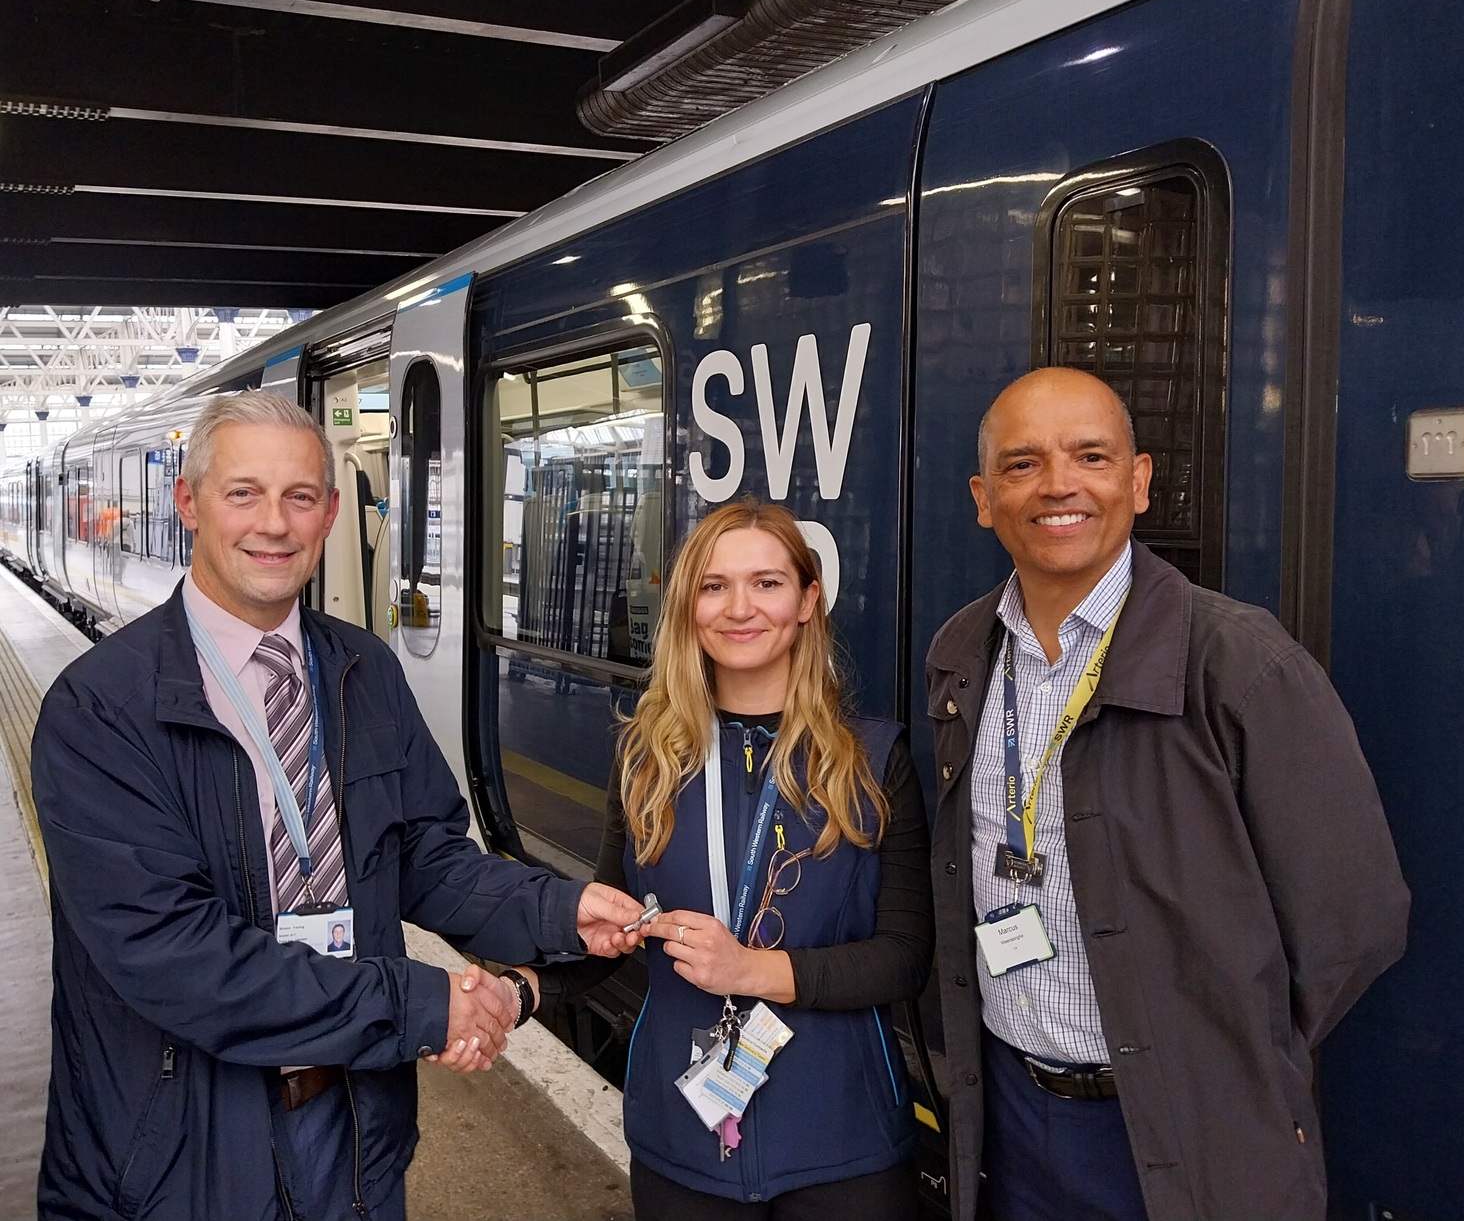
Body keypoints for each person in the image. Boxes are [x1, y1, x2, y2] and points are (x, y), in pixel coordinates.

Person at [30, 392, 645, 1221]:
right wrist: (426, 1005)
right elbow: (178, 954)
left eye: (301, 497)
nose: (275, 524)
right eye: (243, 492)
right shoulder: (101, 708)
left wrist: (559, 907)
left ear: (329, 513)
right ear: (188, 504)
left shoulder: (364, 671)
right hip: (177, 1155)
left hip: (350, 1129)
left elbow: (425, 856)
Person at [926, 368, 1409, 1221]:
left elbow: (1355, 919)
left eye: (1091, 456)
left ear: (1139, 481)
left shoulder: (1240, 665)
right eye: (1022, 464)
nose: (1058, 485)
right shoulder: (965, 651)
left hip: (1187, 1129)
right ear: (983, 496)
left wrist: (1228, 1067)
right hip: (1009, 1117)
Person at [549, 498, 934, 1220]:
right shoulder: (646, 758)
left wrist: (754, 971)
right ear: (689, 604)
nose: (739, 607)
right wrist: (523, 985)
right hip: (685, 1144)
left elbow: (905, 955)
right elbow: (611, 924)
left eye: (766, 582)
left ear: (808, 600)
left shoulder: (874, 760)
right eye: (714, 585)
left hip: (842, 1145)